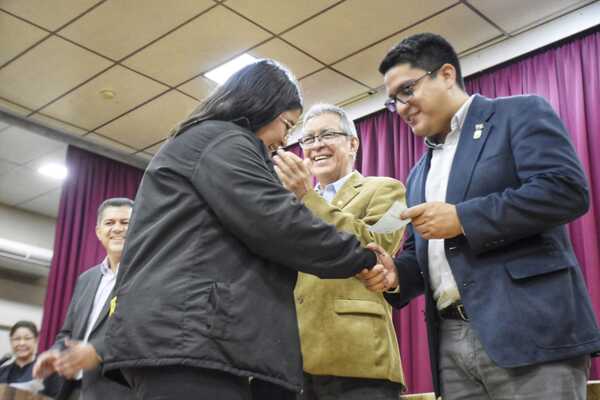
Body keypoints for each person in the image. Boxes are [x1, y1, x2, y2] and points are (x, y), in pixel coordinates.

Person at [101, 59, 384, 400]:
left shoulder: (205, 141)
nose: (284, 140)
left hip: (188, 336)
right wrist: (361, 257)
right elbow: (277, 222)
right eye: (288, 125)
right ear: (263, 105)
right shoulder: (224, 142)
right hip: (189, 337)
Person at [360, 32, 600, 399]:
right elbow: (421, 252)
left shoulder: (518, 113)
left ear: (445, 74)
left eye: (407, 90)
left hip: (529, 332)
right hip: (450, 344)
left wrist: (463, 218)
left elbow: (565, 190)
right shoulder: (417, 172)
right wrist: (396, 274)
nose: (402, 107)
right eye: (393, 102)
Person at [273, 103, 405, 399]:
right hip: (291, 364)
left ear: (353, 143)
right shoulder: (289, 205)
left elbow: (378, 246)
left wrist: (307, 197)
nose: (316, 145)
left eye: (327, 134)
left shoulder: (389, 189)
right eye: (307, 139)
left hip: (358, 358)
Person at [34, 198, 136, 400]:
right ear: (98, 232)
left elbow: (145, 331)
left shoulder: (146, 276)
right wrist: (56, 352)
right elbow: (68, 333)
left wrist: (97, 352)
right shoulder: (86, 279)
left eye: (125, 223)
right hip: (71, 390)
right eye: (109, 223)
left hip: (119, 393)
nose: (117, 228)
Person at [0, 321, 60, 397]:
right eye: (17, 339)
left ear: (36, 340)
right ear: (11, 341)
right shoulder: (2, 371)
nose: (22, 343)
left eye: (27, 338)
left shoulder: (47, 368)